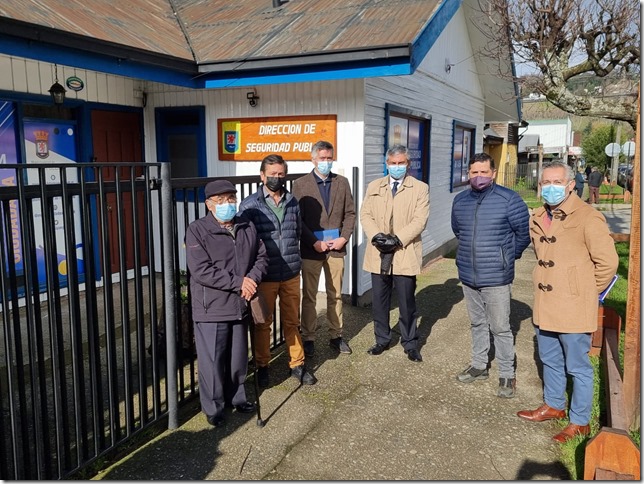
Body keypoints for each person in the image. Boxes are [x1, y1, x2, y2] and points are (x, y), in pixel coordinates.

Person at [517, 161, 618, 442]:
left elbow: (608, 263)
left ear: (571, 185)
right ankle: (554, 406)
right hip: (545, 304)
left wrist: (584, 292)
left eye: (557, 182)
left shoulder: (588, 217)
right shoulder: (538, 216)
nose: (550, 187)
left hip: (574, 307)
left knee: (578, 367)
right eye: (545, 182)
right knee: (549, 359)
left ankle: (580, 421)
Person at [185, 179, 268, 427]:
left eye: (230, 199)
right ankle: (214, 407)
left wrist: (251, 278)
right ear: (209, 205)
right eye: (220, 201)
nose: (227, 204)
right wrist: (239, 282)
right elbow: (201, 270)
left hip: (240, 304)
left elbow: (261, 255)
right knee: (212, 361)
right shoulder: (197, 230)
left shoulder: (246, 225)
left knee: (238, 357)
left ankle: (237, 397)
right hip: (212, 307)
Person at [451, 153, 530, 398]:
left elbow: (523, 234)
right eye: (474, 172)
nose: (479, 176)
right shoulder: (461, 201)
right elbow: (458, 231)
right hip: (468, 273)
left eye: (484, 172)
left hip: (496, 276)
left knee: (500, 327)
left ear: (493, 173)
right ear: (468, 174)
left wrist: (506, 257)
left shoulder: (509, 199)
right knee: (477, 323)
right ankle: (479, 365)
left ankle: (507, 374)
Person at [238, 154, 317, 386]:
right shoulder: (249, 206)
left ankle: (298, 364)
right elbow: (245, 243)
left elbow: (298, 232)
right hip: (266, 276)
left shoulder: (292, 201)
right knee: (263, 323)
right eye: (272, 174)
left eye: (280, 174)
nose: (276, 178)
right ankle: (262, 365)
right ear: (262, 176)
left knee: (293, 321)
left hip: (291, 272)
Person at [360, 144, 429, 362]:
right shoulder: (374, 186)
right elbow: (365, 214)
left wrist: (398, 239)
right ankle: (382, 339)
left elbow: (420, 220)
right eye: (392, 163)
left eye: (401, 163)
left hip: (403, 251)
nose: (396, 167)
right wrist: (377, 237)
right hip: (379, 251)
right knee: (379, 300)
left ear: (407, 164)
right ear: (386, 164)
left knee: (407, 301)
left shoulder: (419, 188)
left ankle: (410, 343)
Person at [292, 141, 356, 357]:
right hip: (312, 249)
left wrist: (344, 237)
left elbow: (350, 214)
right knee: (309, 295)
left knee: (335, 294)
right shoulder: (300, 184)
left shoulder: (342, 182)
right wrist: (313, 242)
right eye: (322, 158)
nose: (326, 162)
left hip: (336, 248)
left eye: (329, 158)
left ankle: (336, 335)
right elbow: (298, 219)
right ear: (313, 159)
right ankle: (308, 337)